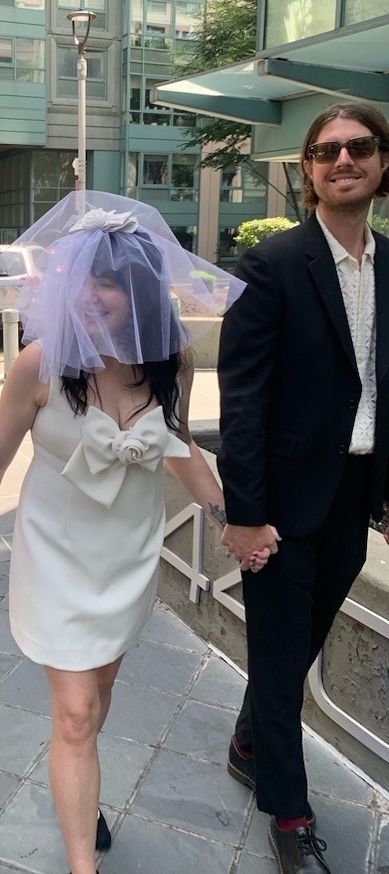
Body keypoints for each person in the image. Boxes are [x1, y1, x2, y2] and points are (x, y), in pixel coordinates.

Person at [0, 191, 247, 874]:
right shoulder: (40, 366)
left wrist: (233, 520)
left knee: (96, 697)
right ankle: (85, 862)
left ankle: (80, 778)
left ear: (136, 288)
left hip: (129, 552)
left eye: (105, 280)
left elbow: (181, 447)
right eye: (80, 279)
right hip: (56, 553)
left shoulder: (172, 363)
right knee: (75, 711)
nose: (89, 294)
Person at [217, 102, 389, 874]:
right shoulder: (274, 264)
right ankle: (290, 813)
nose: (341, 160)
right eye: (325, 151)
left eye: (357, 148)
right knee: (285, 661)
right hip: (282, 509)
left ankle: (252, 737)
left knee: (295, 651)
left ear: (382, 162)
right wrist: (246, 516)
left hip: (355, 498)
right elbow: (242, 397)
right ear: (308, 169)